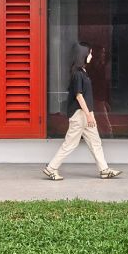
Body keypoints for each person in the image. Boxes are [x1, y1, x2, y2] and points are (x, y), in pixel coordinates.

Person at [43, 42, 122, 180]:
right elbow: (79, 96)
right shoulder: (77, 74)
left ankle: (104, 169)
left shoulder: (83, 72)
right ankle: (51, 168)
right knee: (70, 144)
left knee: (95, 142)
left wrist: (90, 114)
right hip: (79, 115)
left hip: (86, 113)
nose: (91, 56)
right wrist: (88, 115)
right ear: (83, 55)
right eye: (89, 53)